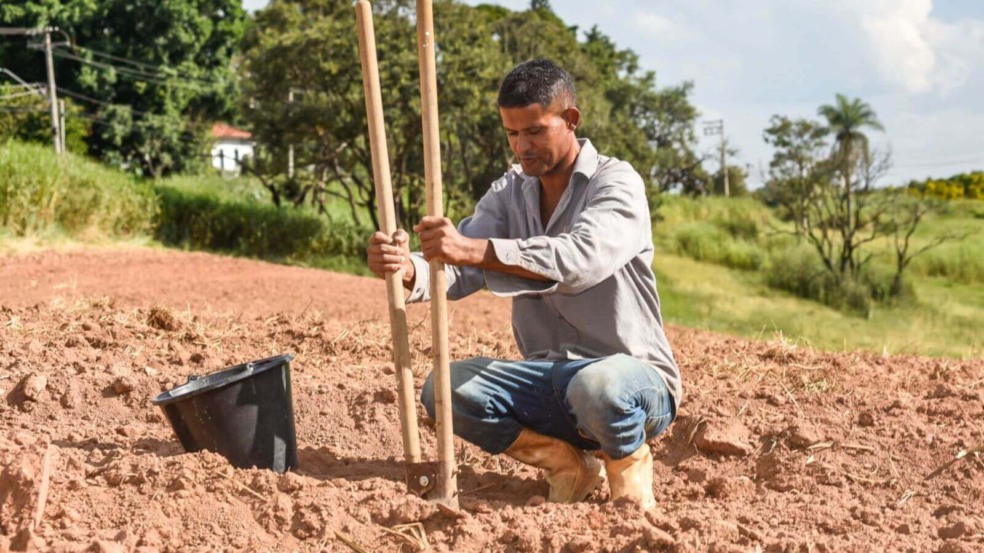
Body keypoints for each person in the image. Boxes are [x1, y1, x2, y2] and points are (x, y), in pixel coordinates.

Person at [367, 59, 681, 510]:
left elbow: (579, 259)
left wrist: (475, 250)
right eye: (512, 134)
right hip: (550, 377)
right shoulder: (509, 191)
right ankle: (567, 466)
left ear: (570, 120)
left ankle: (630, 493)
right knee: (446, 390)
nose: (521, 147)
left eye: (534, 131)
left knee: (598, 387)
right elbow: (458, 266)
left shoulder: (616, 182)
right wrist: (408, 267)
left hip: (632, 379)